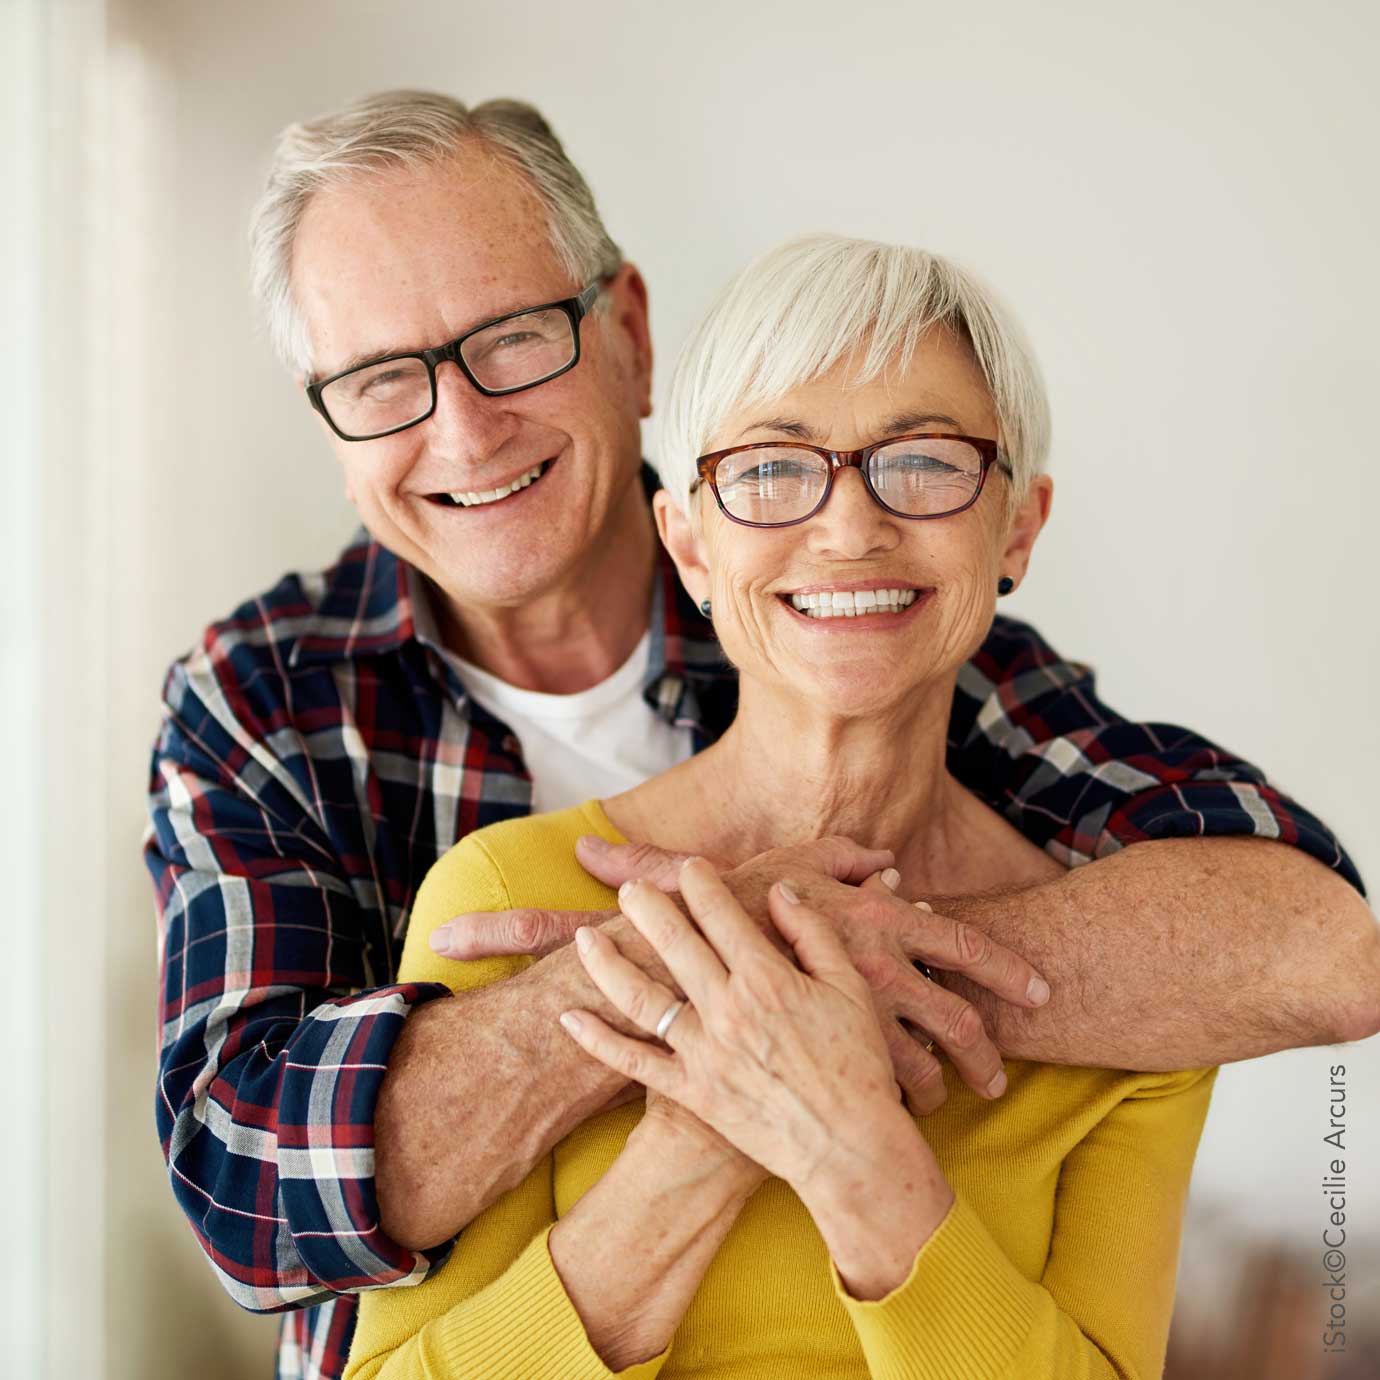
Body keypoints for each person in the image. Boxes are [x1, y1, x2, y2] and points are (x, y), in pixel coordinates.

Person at [145, 91, 1375, 1380]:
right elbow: (249, 1193)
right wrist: (719, 995)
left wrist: (806, 988)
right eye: (382, 380)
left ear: (626, 332)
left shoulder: (896, 641)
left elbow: (1312, 945)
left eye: (510, 341)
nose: (464, 429)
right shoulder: (269, 702)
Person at [344, 233, 1230, 1377]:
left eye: (922, 461)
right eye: (770, 469)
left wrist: (852, 1149)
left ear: (1017, 528)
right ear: (691, 545)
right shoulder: (513, 899)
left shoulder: (1132, 997)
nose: (850, 527)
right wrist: (707, 1133)